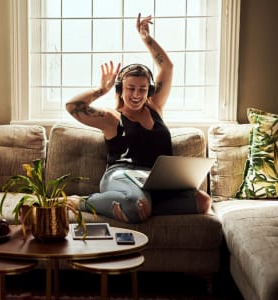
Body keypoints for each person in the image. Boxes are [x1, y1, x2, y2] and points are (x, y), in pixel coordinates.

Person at [66, 13, 211, 224]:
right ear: (120, 89)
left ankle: (144, 206)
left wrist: (146, 38)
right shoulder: (111, 118)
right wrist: (100, 89)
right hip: (122, 175)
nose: (136, 95)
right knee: (136, 206)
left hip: (154, 181)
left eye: (142, 89)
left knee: (203, 201)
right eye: (130, 88)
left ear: (149, 89)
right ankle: (82, 202)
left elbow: (167, 67)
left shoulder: (155, 107)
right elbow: (72, 107)